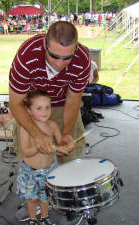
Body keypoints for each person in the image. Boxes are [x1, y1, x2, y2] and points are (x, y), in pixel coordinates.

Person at [9, 21, 91, 165]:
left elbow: (73, 100)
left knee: (69, 161)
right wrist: (36, 134)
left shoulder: (82, 60)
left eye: (67, 58)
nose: (60, 64)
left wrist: (66, 133)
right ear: (45, 45)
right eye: (54, 56)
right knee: (32, 163)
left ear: (76, 48)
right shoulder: (27, 55)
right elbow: (15, 104)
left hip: (62, 104)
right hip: (31, 108)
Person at [17, 89, 70, 225]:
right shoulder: (26, 128)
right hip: (30, 172)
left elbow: (61, 143)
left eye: (47, 107)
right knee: (32, 198)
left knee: (45, 198)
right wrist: (38, 146)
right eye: (39, 108)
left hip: (48, 170)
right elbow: (26, 152)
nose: (45, 111)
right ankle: (33, 218)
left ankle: (45, 216)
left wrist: (65, 147)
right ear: (29, 110)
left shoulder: (52, 125)